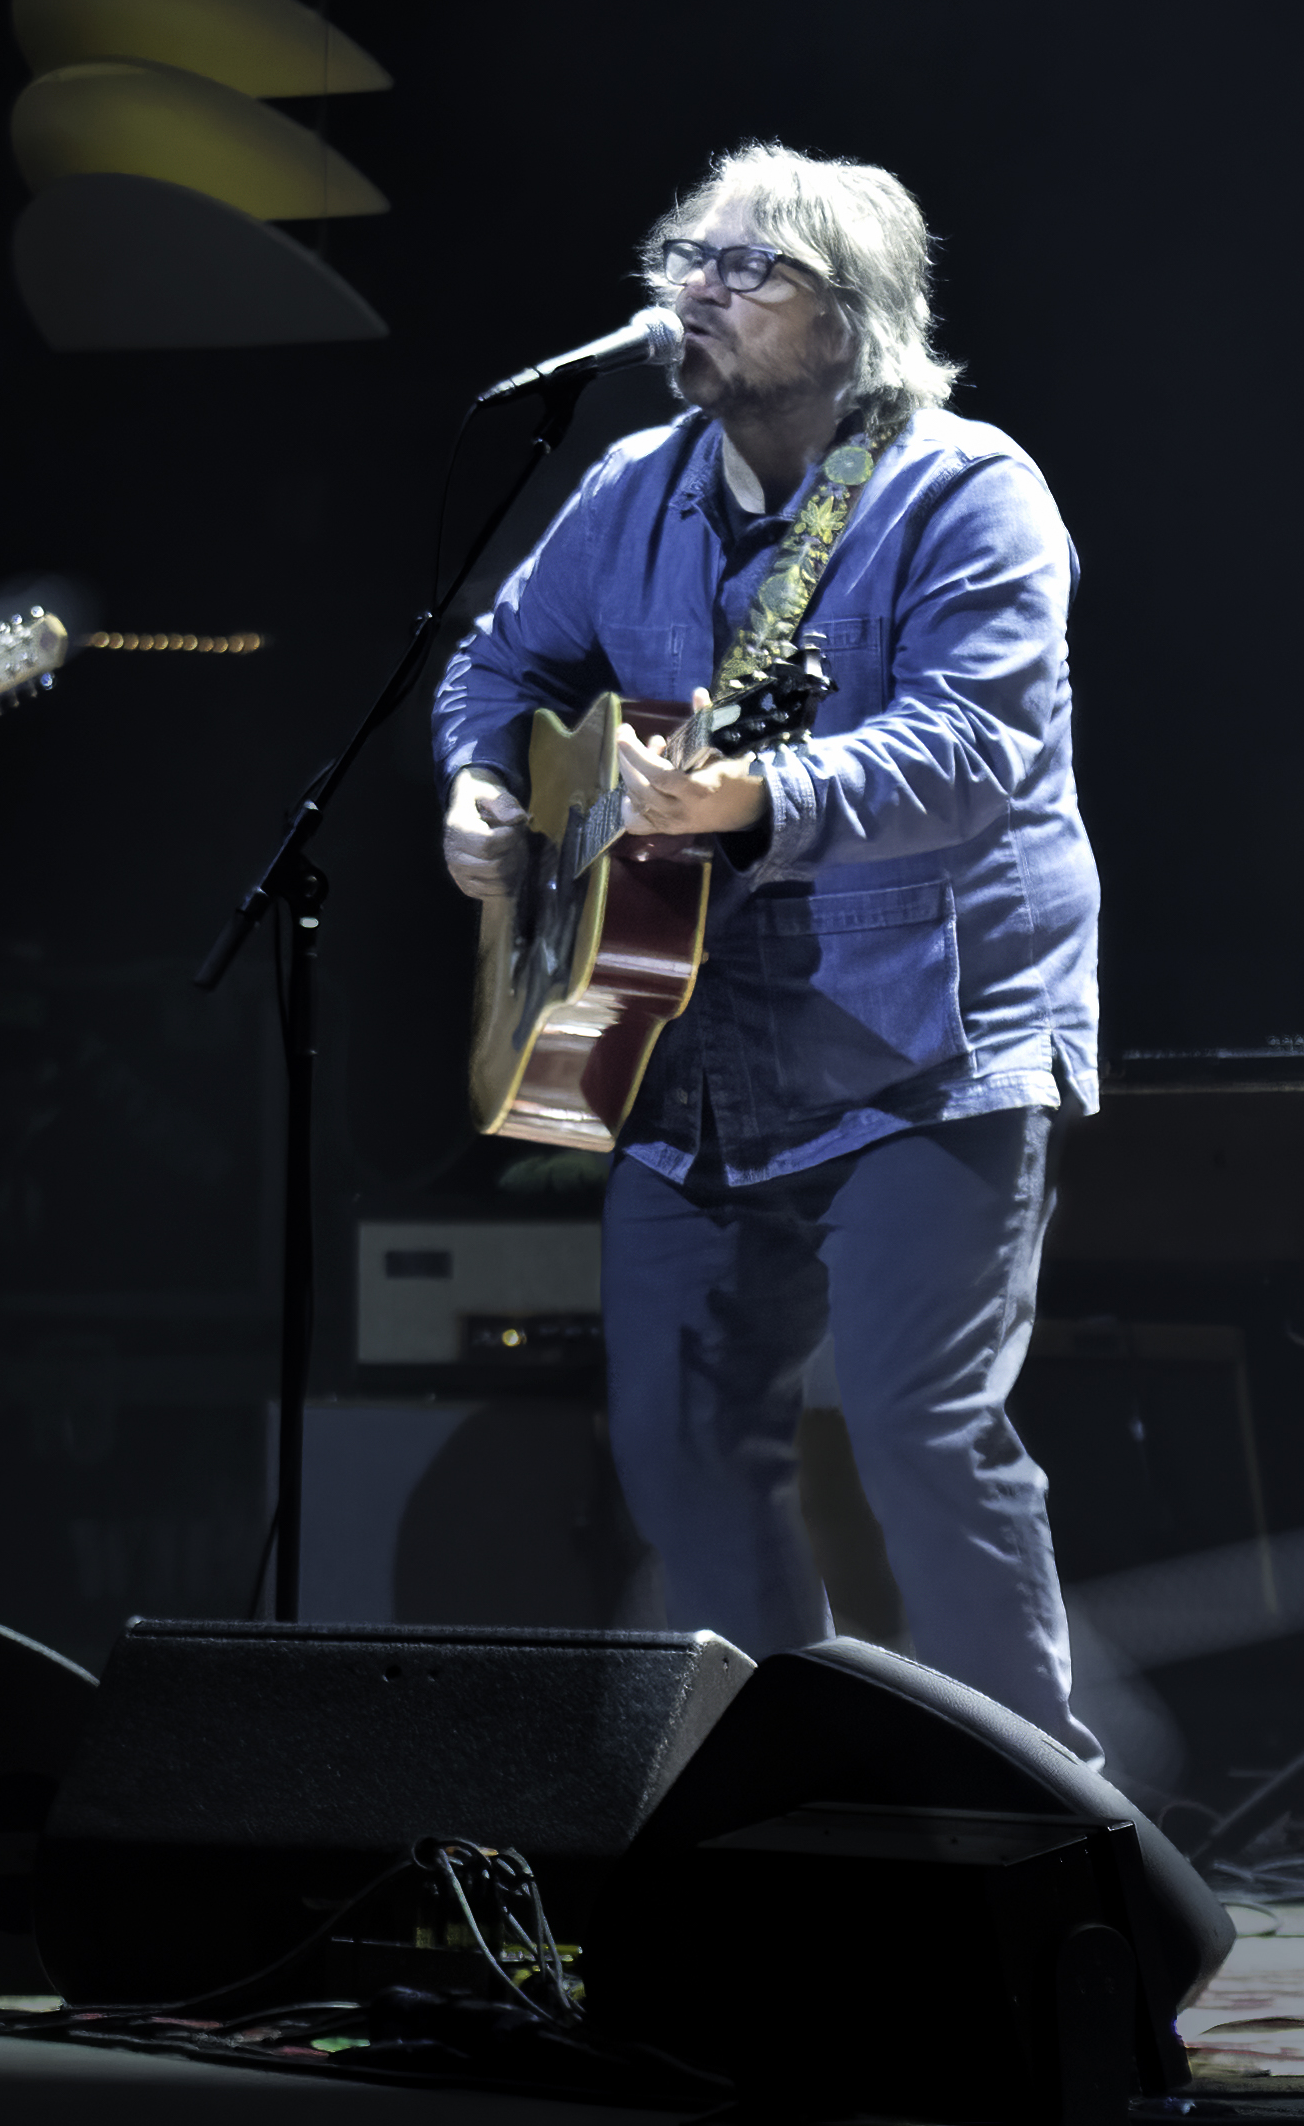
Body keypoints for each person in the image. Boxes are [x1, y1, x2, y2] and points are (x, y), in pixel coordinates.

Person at [433, 143, 1105, 1759]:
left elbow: (975, 750)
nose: (699, 290)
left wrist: (759, 795)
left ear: (852, 315)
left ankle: (1046, 1818)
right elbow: (495, 659)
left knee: (916, 1423)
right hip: (682, 1044)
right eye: (688, 256)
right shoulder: (638, 487)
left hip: (923, 1040)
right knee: (672, 1439)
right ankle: (798, 1790)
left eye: (749, 269)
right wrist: (479, 781)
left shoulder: (968, 491)